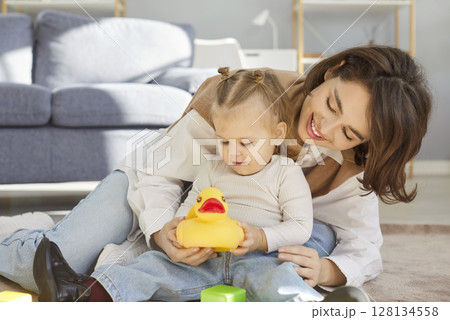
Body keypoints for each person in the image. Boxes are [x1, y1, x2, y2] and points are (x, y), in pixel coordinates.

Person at [0, 45, 432, 302]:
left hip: (225, 231)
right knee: (52, 266)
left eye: (349, 132)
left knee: (320, 238)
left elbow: (364, 244)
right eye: (333, 105)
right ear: (333, 70)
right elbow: (157, 173)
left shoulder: (354, 164)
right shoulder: (247, 96)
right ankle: (27, 233)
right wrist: (160, 231)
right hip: (151, 187)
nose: (326, 129)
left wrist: (331, 272)